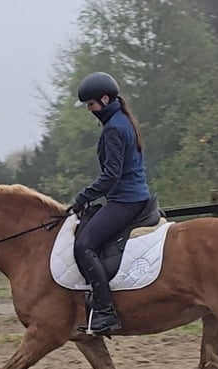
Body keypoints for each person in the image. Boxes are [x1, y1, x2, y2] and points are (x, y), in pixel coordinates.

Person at [70, 71, 151, 335]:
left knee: (84, 245)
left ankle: (105, 312)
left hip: (125, 200)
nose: (89, 110)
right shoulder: (121, 120)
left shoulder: (115, 128)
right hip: (133, 196)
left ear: (105, 99)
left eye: (91, 104)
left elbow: (111, 175)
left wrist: (83, 197)